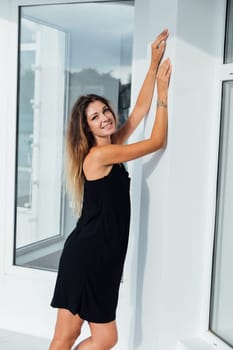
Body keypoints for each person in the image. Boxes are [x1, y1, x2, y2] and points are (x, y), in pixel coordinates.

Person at [49, 29, 172, 350]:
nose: (104, 118)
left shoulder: (113, 145)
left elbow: (138, 113)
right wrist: (164, 94)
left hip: (102, 257)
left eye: (105, 111)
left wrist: (153, 63)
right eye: (95, 117)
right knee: (68, 336)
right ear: (86, 127)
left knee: (102, 337)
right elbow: (157, 141)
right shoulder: (101, 155)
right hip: (87, 256)